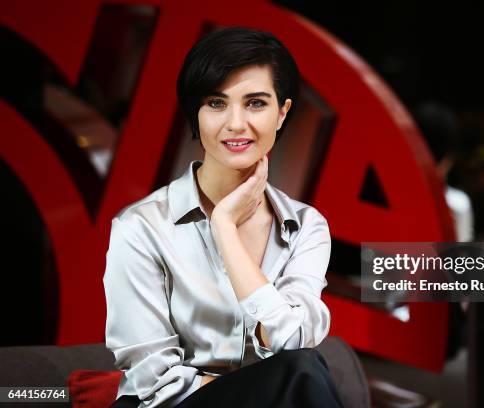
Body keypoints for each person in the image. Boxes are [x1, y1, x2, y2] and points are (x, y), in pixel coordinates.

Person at [104, 27, 343, 408]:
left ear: (282, 113)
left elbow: (294, 340)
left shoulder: (305, 227)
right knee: (300, 375)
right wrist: (256, 392)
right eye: (216, 103)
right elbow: (154, 380)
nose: (235, 123)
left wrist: (225, 231)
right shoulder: (141, 228)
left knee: (302, 367)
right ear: (195, 115)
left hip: (281, 396)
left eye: (255, 103)